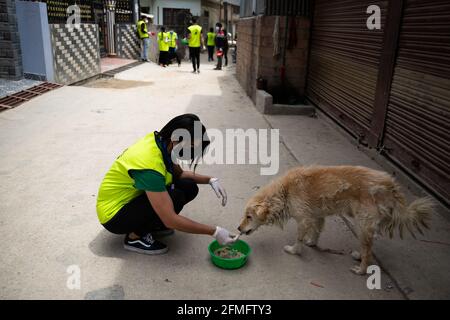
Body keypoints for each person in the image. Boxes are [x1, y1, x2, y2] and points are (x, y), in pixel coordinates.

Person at [96, 114, 237, 255]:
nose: (192, 152)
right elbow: (171, 220)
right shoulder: (149, 165)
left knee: (188, 186)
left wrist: (210, 179)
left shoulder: (163, 142)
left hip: (130, 199)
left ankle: (153, 224)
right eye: (191, 146)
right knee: (175, 197)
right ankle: (135, 237)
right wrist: (215, 232)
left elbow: (180, 175)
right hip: (114, 215)